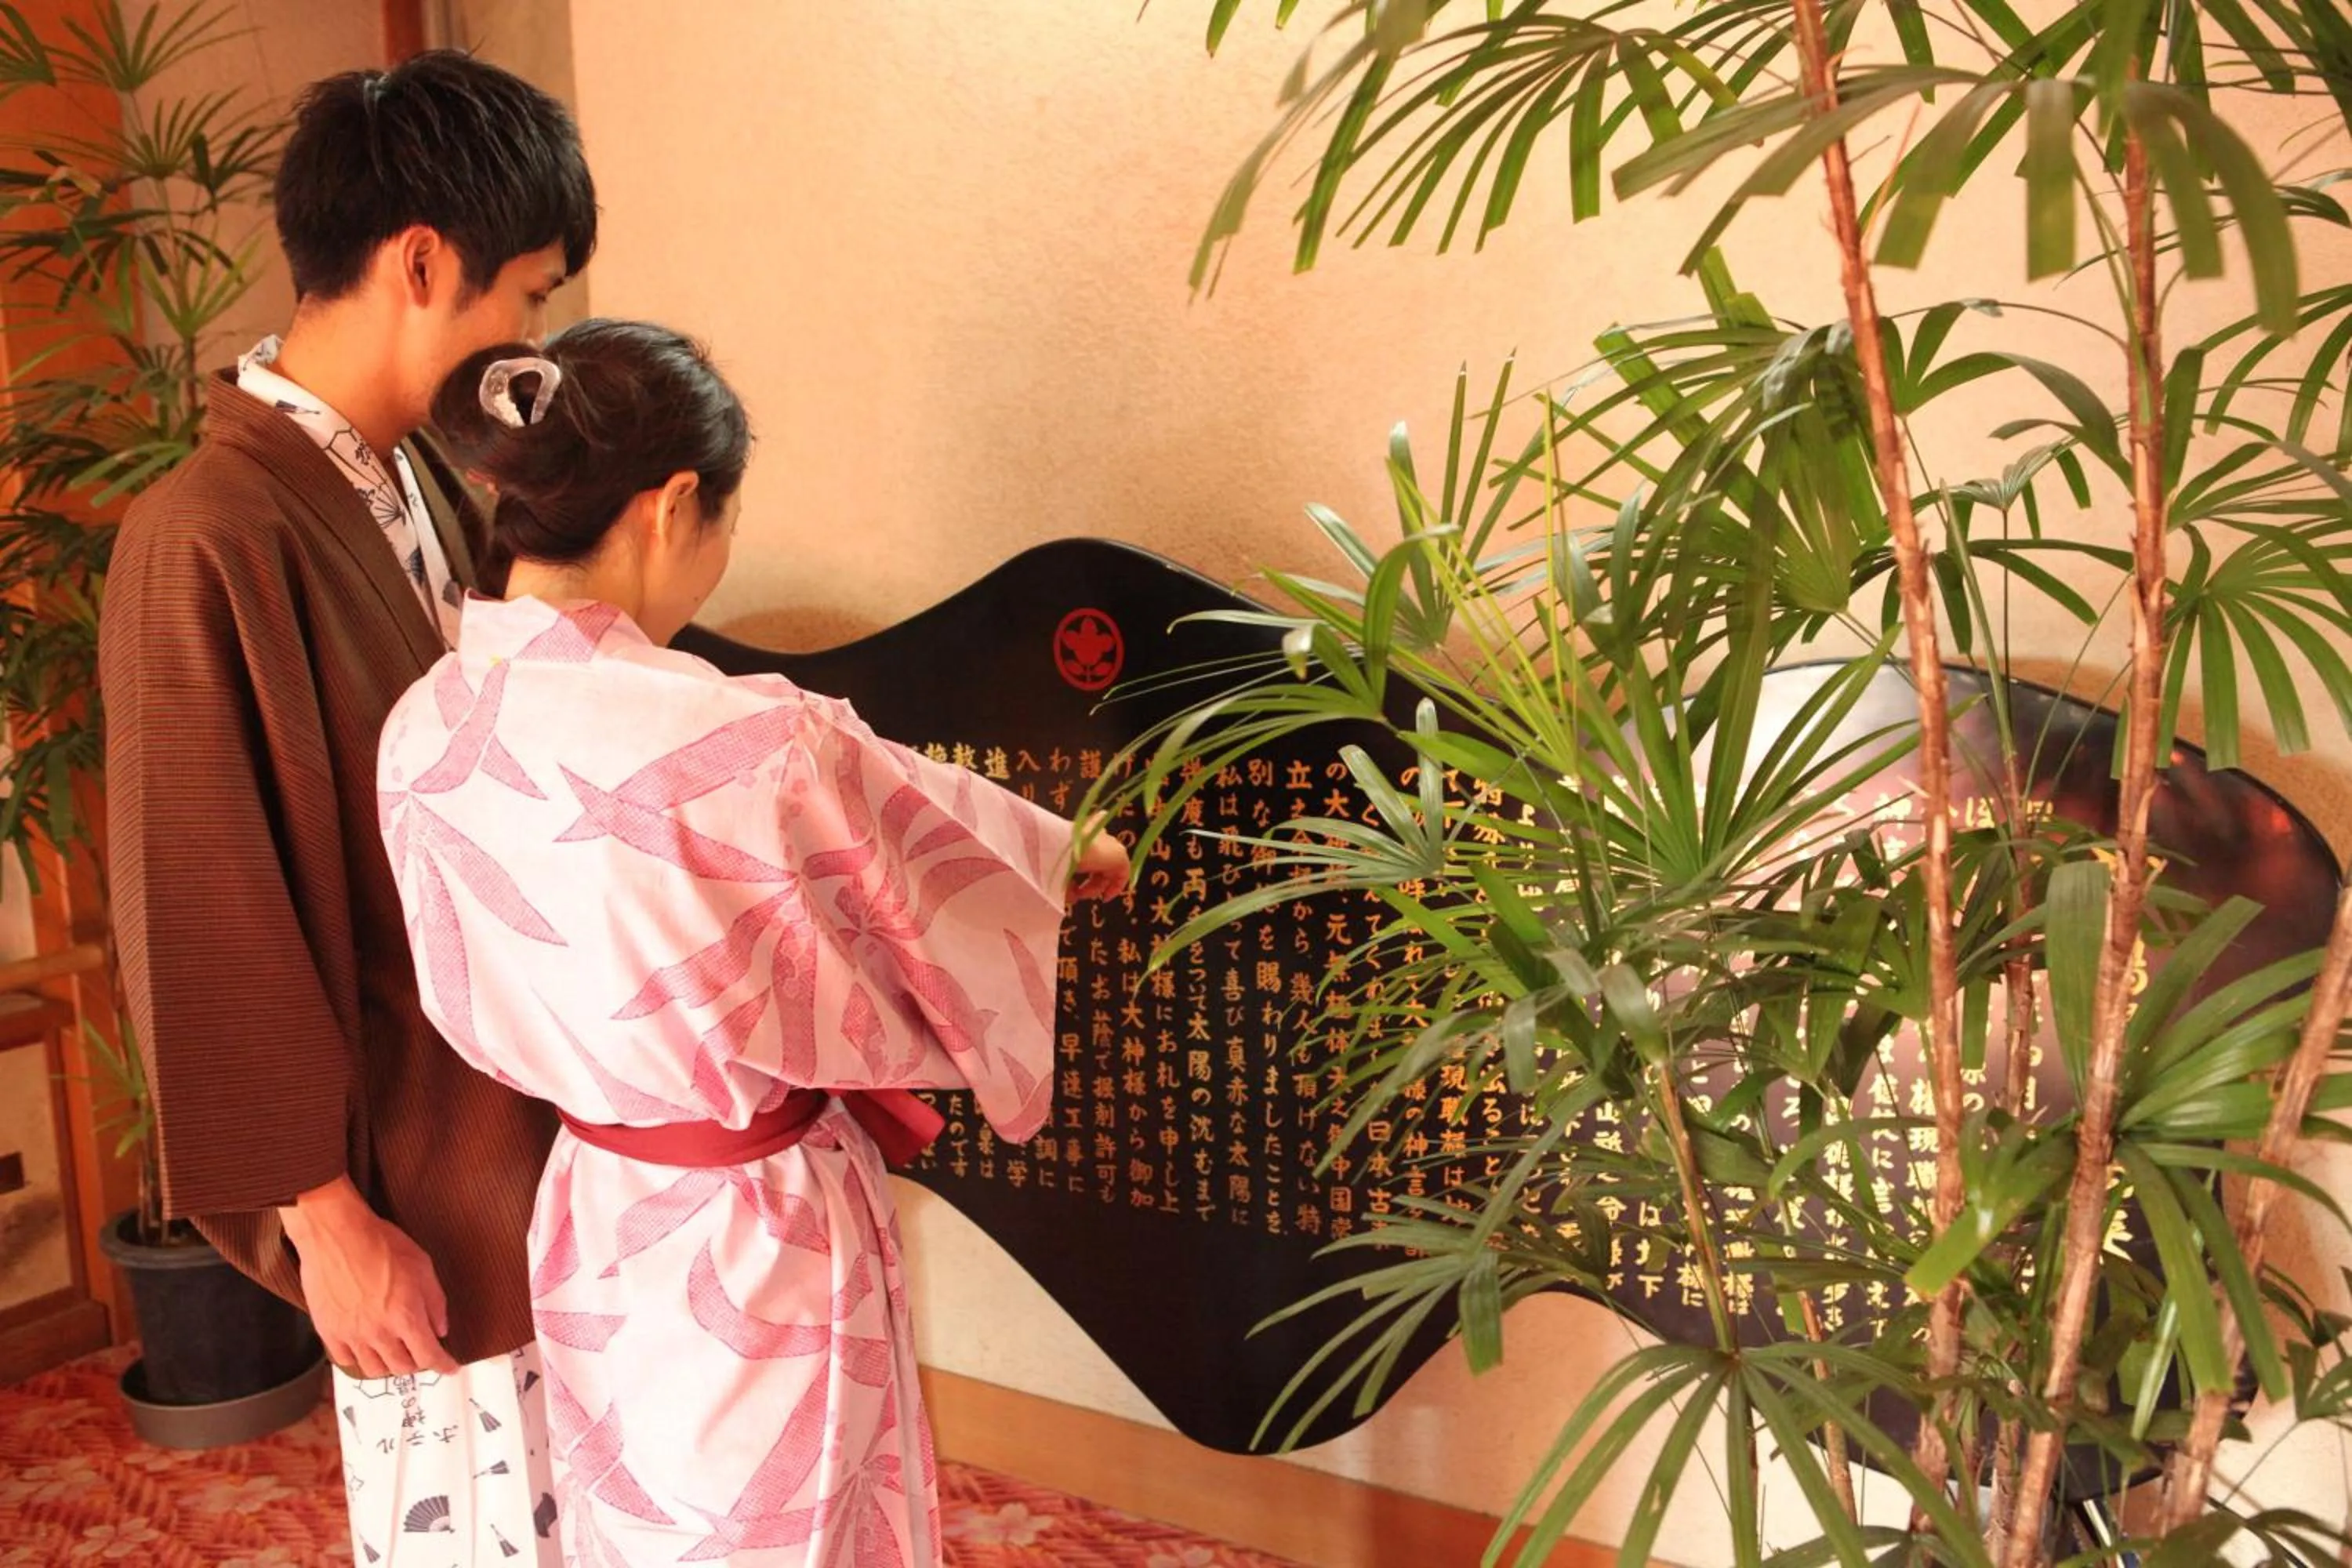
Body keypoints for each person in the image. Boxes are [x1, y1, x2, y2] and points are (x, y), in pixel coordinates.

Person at [376, 318, 1132, 1567]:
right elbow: (943, 858)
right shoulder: (751, 741)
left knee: (640, 1522)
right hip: (754, 1222)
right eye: (722, 524)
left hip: (594, 1201)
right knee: (788, 1529)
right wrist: (1067, 858)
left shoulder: (426, 723)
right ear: (672, 505)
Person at [100, 52, 597, 1566]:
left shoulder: (420, 485)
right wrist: (324, 1220)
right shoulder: (202, 535)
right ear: (422, 262)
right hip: (409, 1181)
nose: (529, 343)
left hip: (512, 1125)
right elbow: (204, 908)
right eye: (528, 295)